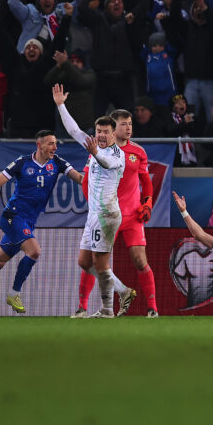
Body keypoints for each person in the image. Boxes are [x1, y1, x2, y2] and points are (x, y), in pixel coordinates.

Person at [53, 84, 128, 318]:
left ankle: (108, 308)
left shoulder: (117, 155)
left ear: (114, 134)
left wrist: (95, 153)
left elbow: (106, 163)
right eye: (98, 131)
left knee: (100, 262)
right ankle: (123, 291)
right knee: (85, 262)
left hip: (107, 214)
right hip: (93, 214)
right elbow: (74, 130)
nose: (101, 135)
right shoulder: (95, 144)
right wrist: (61, 105)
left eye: (106, 132)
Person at [0, 130, 83, 313]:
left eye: (55, 143)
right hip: (12, 217)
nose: (54, 147)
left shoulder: (57, 163)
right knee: (34, 251)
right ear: (39, 145)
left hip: (28, 222)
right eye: (50, 143)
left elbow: (79, 178)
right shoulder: (22, 162)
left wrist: (99, 187)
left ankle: (13, 292)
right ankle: (14, 293)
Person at [76, 109, 157, 316]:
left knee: (140, 260)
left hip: (132, 216)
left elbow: (146, 182)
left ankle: (152, 309)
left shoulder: (138, 152)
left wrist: (147, 204)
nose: (128, 127)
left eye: (130, 123)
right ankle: (83, 307)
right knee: (94, 260)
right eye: (123, 124)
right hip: (105, 214)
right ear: (113, 129)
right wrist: (93, 205)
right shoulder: (98, 151)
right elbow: (86, 181)